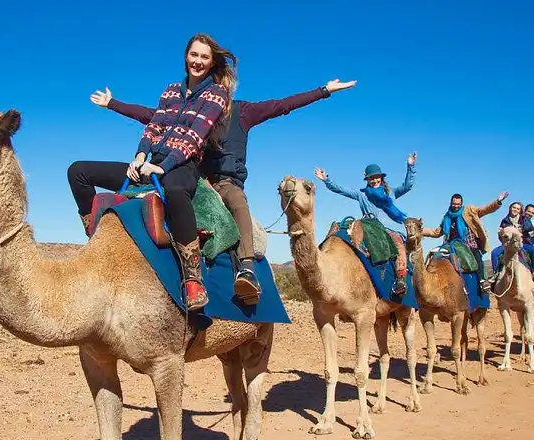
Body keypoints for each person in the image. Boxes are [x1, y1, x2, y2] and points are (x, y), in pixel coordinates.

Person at [90, 78, 357, 304]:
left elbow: (282, 105)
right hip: (195, 177)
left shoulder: (244, 112)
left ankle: (247, 269)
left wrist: (324, 91)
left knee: (237, 202)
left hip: (226, 182)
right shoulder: (192, 113)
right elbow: (151, 116)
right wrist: (113, 104)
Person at [68, 33, 236, 311]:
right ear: (186, 56)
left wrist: (163, 164)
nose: (198, 61)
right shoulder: (171, 90)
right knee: (78, 172)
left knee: (174, 190)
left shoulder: (216, 93)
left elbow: (195, 136)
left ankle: (192, 278)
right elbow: (153, 127)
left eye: (204, 57)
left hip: (183, 164)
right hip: (148, 162)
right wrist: (140, 156)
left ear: (211, 62)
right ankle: (95, 231)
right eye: (194, 55)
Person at [313, 153, 417, 294]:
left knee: (398, 245)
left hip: (391, 229)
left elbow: (408, 185)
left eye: (376, 177)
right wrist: (326, 179)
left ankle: (401, 279)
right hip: (371, 228)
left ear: (381, 178)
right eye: (371, 178)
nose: (374, 180)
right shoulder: (362, 195)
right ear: (367, 179)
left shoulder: (391, 192)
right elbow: (342, 190)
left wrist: (411, 166)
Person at [422, 191, 509, 294]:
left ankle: (482, 281)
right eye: (454, 204)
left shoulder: (469, 210)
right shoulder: (447, 217)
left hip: (469, 243)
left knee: (476, 259)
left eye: (458, 204)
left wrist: (497, 201)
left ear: (461, 204)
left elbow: (485, 210)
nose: (456, 206)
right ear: (450, 203)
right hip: (452, 245)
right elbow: (437, 232)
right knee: (435, 256)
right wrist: (419, 230)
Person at [490, 201, 534, 286]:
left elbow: (529, 227)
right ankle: (496, 273)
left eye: (518, 208)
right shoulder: (505, 220)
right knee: (494, 253)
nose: (515, 210)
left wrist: (521, 228)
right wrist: (501, 234)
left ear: (520, 210)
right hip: (507, 244)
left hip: (522, 243)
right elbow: (501, 235)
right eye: (514, 207)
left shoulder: (523, 219)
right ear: (510, 208)